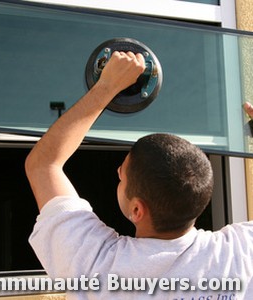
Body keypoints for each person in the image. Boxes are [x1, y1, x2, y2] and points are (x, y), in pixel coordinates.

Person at [26, 51, 253, 299]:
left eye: (122, 175)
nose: (117, 172)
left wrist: (107, 86)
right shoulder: (241, 253)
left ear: (137, 210)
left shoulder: (99, 269)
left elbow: (44, 164)